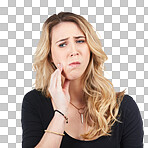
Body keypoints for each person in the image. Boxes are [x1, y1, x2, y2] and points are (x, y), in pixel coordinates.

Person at [21, 12, 144, 148]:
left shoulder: (122, 108)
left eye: (80, 41)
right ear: (50, 55)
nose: (74, 51)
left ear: (90, 48)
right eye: (62, 44)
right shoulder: (34, 102)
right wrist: (60, 112)